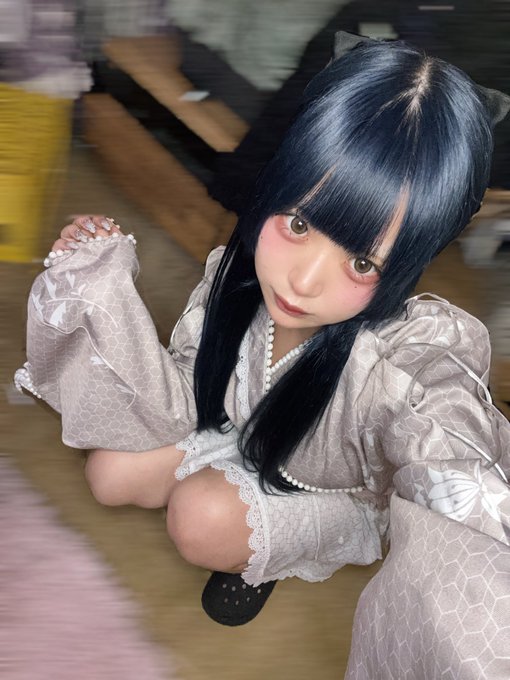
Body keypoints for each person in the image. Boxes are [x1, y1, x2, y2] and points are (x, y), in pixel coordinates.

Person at [15, 33, 510, 674]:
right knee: (110, 474)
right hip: (239, 428)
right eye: (300, 224)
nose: (303, 282)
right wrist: (98, 283)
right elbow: (190, 380)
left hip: (329, 491)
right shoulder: (238, 278)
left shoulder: (407, 361)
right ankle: (236, 506)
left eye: (362, 262)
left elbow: (454, 460)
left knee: (201, 517)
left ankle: (265, 551)